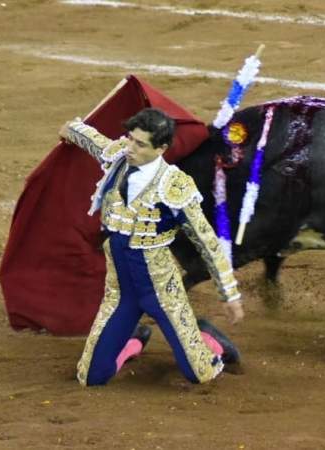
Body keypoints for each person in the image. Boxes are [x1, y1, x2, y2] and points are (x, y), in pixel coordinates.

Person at [58, 108, 244, 386]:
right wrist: (71, 130)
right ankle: (132, 342)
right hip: (119, 291)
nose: (130, 147)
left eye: (140, 144)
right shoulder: (119, 158)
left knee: (199, 373)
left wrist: (229, 294)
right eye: (130, 138)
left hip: (162, 293)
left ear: (161, 148)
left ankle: (211, 341)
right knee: (92, 377)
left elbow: (207, 242)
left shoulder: (174, 187)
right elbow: (95, 141)